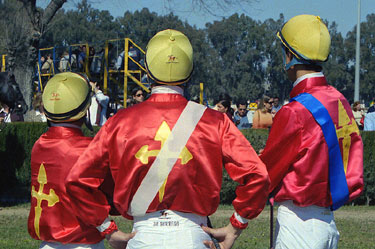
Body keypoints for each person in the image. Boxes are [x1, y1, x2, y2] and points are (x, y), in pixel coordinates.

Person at [66, 29, 269, 249]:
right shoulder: (215, 121)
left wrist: (106, 228)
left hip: (142, 235)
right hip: (194, 235)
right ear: (190, 71)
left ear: (147, 69)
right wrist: (236, 225)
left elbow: (77, 180)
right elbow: (258, 176)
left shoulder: (119, 121)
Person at [259, 15, 364, 249]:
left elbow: (265, 173)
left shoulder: (293, 111)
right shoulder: (340, 100)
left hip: (297, 224)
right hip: (328, 224)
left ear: (289, 57)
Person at [27, 72, 107, 249]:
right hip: (85, 242)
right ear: (85, 109)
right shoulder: (90, 149)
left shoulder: (38, 146)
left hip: (48, 243)